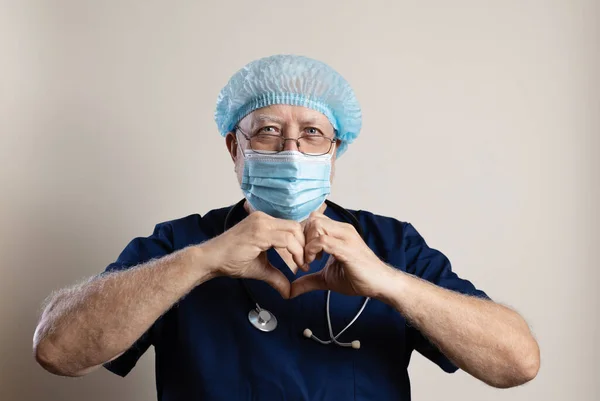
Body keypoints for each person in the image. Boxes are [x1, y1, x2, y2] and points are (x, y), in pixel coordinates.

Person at [33, 55, 540, 400]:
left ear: (335, 151)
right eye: (269, 131)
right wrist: (202, 262)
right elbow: (57, 351)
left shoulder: (389, 244)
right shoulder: (179, 243)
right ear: (236, 148)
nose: (292, 152)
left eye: (312, 134)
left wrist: (389, 282)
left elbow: (517, 363)